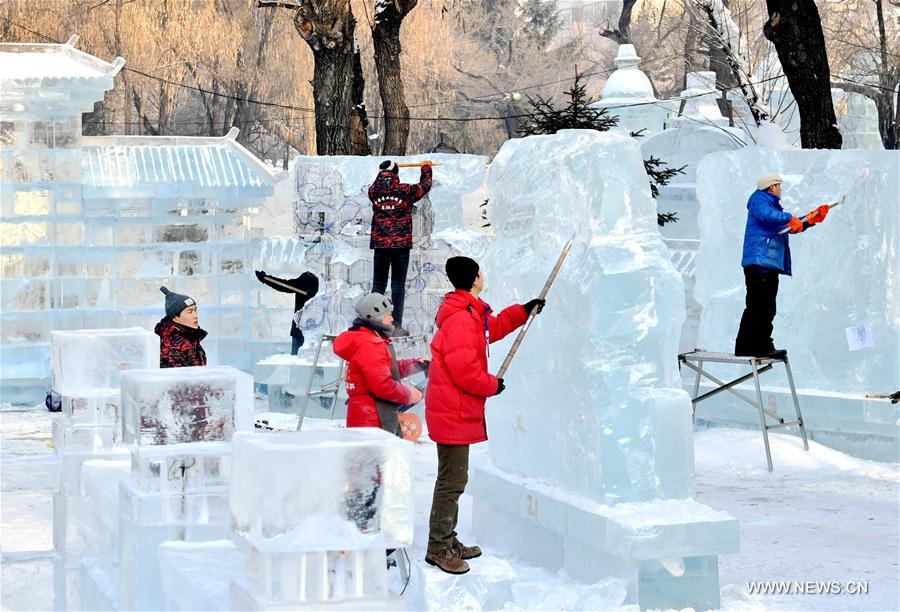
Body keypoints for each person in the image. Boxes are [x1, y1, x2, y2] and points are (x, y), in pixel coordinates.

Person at [424, 256, 545, 574]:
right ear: (476, 277)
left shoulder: (469, 313)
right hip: (452, 409)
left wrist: (523, 311)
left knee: (453, 479)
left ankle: (447, 539)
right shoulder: (463, 319)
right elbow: (463, 370)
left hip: (453, 408)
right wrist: (491, 385)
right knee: (451, 481)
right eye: (481, 272)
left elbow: (493, 328)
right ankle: (439, 548)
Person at [734, 174, 830, 358]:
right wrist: (790, 217)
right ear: (772, 187)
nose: (781, 190)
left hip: (767, 263)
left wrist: (810, 218)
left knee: (764, 306)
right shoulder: (759, 201)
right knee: (760, 306)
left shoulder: (771, 206)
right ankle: (757, 346)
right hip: (760, 262)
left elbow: (785, 227)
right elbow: (771, 216)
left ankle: (751, 345)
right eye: (779, 186)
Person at [332, 293, 429, 437]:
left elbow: (385, 369)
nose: (392, 319)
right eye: (388, 314)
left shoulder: (365, 338)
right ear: (375, 316)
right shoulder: (371, 345)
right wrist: (409, 395)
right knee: (375, 459)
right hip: (373, 418)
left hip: (365, 414)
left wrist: (415, 364)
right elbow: (383, 386)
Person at [368, 159, 433, 336]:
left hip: (380, 244)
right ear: (396, 172)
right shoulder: (405, 191)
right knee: (398, 286)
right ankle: (395, 326)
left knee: (378, 285)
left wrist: (383, 172)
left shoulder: (373, 191)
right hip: (400, 245)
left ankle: (375, 324)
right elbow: (425, 185)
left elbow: (379, 183)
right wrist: (425, 168)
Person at [254, 270, 319, 354]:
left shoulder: (315, 278)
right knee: (299, 361)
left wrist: (266, 279)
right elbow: (286, 286)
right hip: (302, 328)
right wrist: (266, 279)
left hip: (311, 330)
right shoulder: (309, 277)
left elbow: (286, 286)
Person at [155, 286, 207, 368]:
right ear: (175, 318)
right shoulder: (173, 346)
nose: (195, 315)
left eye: (195, 310)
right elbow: (178, 379)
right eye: (190, 312)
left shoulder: (189, 338)